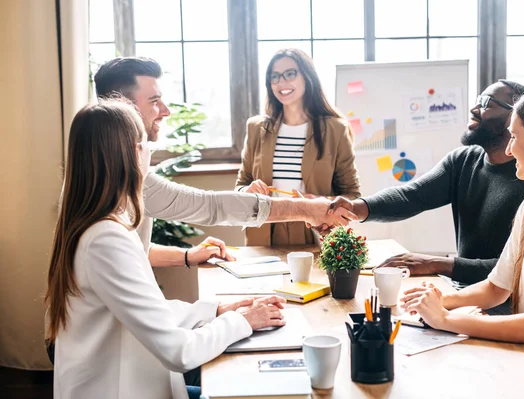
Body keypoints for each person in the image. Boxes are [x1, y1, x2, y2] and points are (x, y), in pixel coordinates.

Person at [47, 100, 290, 399]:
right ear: (135, 153)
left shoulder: (99, 224)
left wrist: (216, 310)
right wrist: (243, 320)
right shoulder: (105, 240)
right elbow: (179, 352)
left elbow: (149, 312)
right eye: (146, 143)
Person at [401, 89, 524, 396]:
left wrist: (445, 319)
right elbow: (496, 289)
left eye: (514, 137)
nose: (508, 150)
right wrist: (442, 299)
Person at [93, 56, 355, 265]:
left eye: (290, 73)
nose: (166, 111)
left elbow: (133, 252)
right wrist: (307, 209)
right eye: (155, 100)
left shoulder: (97, 164)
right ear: (124, 107)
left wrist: (187, 255)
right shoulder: (124, 177)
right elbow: (210, 206)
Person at [328, 80, 524, 286]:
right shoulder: (463, 161)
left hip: (508, 305)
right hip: (465, 292)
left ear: (514, 116)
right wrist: (353, 208)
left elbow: (518, 267)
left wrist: (437, 263)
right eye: (478, 100)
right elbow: (412, 196)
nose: (474, 108)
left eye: (487, 103)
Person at [235, 48, 360, 246]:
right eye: (274, 77)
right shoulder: (256, 128)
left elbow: (352, 195)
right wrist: (247, 190)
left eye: (290, 74)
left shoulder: (335, 129)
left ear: (307, 77)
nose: (281, 82)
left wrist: (319, 202)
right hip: (264, 233)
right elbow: (240, 187)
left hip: (316, 234)